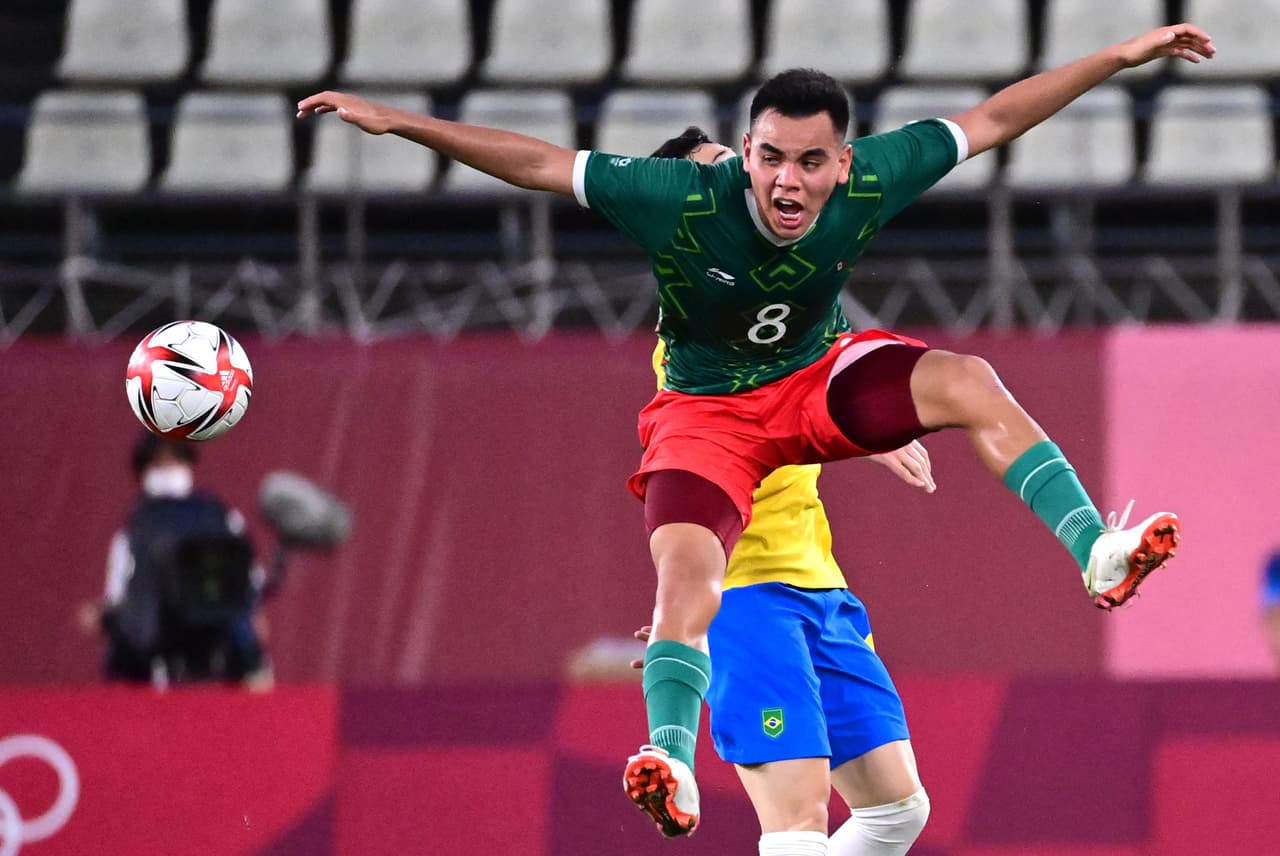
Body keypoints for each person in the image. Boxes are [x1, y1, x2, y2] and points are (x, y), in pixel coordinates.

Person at [297, 22, 1208, 844]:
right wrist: (403, 124)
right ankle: (669, 758)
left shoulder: (864, 181)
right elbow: (536, 163)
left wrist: (1118, 58)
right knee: (689, 581)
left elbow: (998, 118)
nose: (778, 181)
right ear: (736, 156)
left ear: (841, 163)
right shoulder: (675, 204)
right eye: (756, 160)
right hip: (714, 426)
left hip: (812, 393)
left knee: (965, 385)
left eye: (806, 163)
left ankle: (1095, 548)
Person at [635, 129, 935, 855]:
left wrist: (872, 423)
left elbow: (816, 358)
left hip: (820, 590)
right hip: (750, 596)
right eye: (714, 185)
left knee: (898, 812)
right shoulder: (697, 331)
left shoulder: (768, 302)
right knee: (799, 826)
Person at [86, 432, 273, 689]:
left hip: (223, 637)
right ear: (144, 470)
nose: (168, 469)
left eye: (175, 461)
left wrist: (252, 618)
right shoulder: (135, 528)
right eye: (159, 464)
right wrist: (108, 617)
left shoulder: (221, 517)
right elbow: (119, 599)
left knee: (251, 654)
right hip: (157, 642)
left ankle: (259, 707)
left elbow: (249, 580)